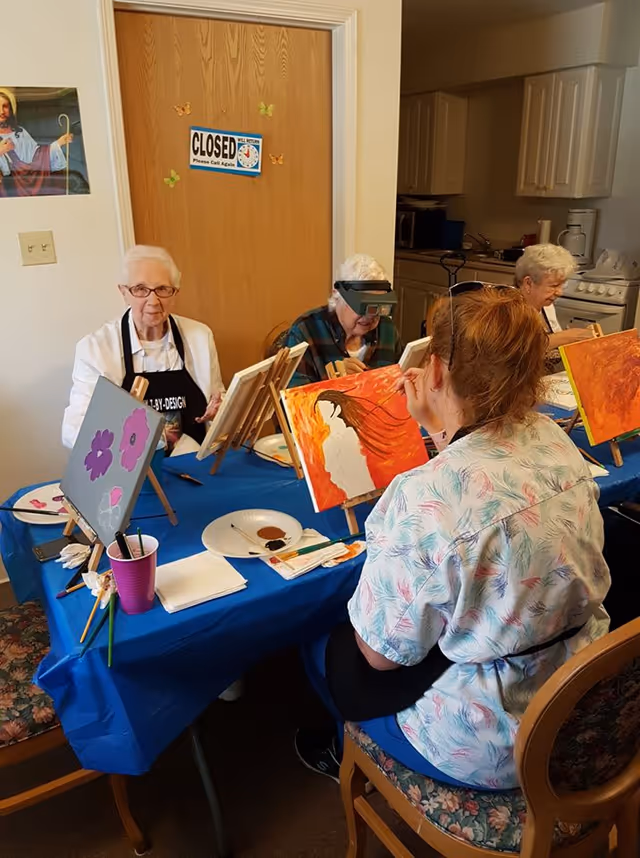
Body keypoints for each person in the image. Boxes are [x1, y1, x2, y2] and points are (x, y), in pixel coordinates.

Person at [296, 285, 610, 790]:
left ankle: (343, 750)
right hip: (581, 698)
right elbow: (482, 469)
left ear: (436, 370)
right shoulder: (554, 439)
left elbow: (380, 656)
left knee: (322, 646)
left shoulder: (426, 493)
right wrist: (441, 426)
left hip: (495, 744)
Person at [62, 245, 224, 453]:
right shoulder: (95, 349)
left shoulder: (200, 336)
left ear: (175, 293)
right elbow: (74, 430)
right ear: (124, 293)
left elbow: (218, 396)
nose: (153, 301)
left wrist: (222, 409)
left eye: (163, 289)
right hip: (131, 472)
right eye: (140, 289)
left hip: (193, 463)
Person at [285, 254, 403, 387]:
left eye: (379, 307)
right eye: (362, 307)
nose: (370, 316)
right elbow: (295, 401)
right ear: (337, 294)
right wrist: (335, 381)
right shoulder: (305, 331)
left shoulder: (387, 329)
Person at [514, 243, 593, 348]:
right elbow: (517, 353)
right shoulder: (508, 312)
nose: (560, 292)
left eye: (562, 285)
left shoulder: (547, 307)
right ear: (529, 283)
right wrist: (566, 337)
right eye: (554, 285)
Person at [0, 87, 73, 197]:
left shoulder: (20, 132)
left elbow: (38, 157)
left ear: (11, 109)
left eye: (5, 106)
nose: (1, 111)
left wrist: (58, 144)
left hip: (29, 188)